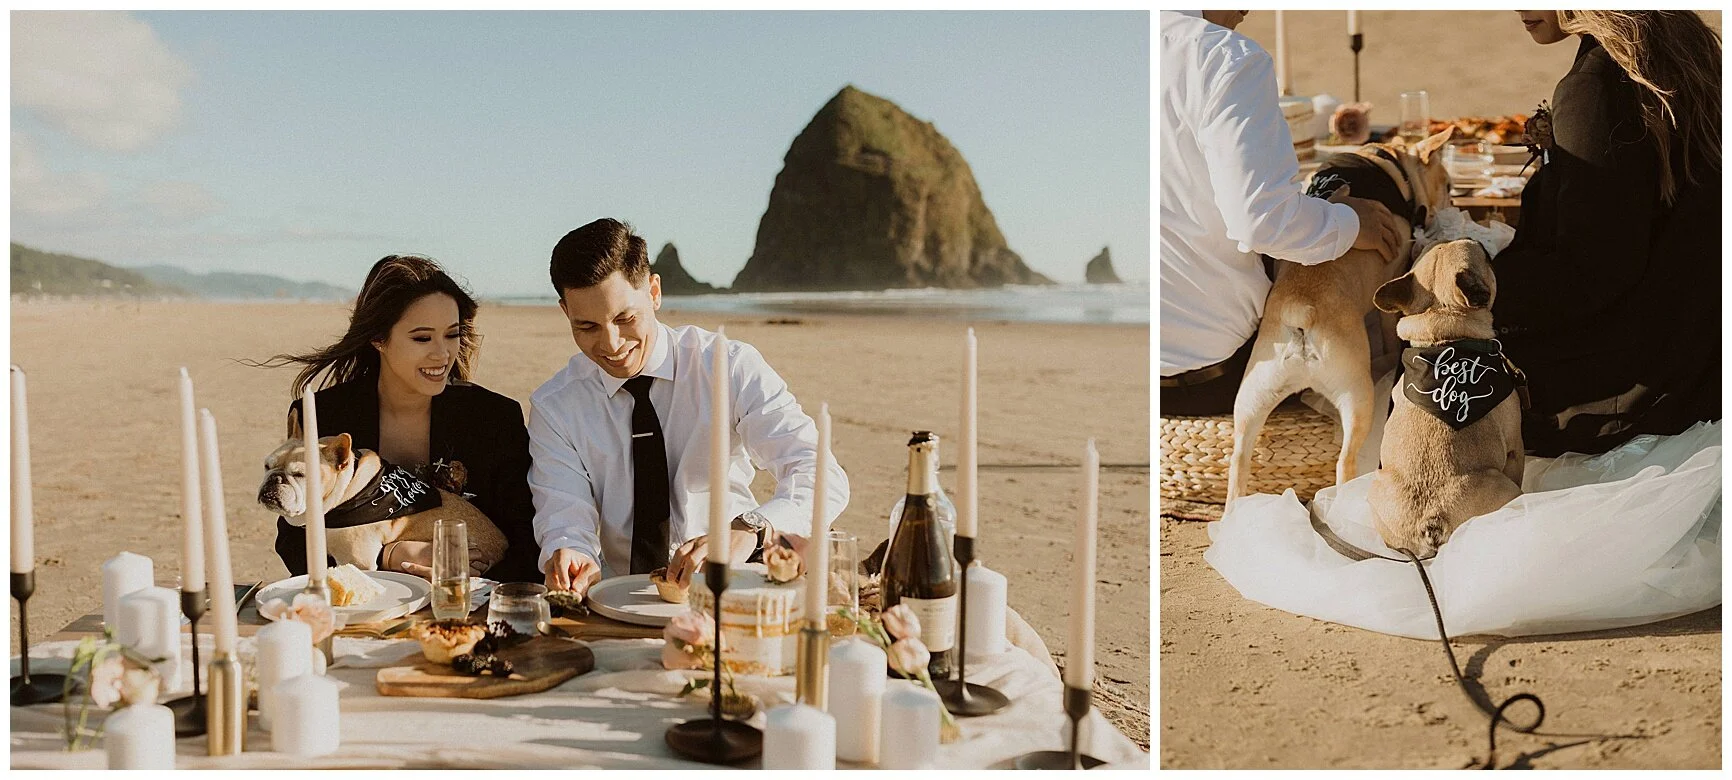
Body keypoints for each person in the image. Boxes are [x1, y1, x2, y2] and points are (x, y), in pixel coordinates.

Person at [529, 218, 849, 598]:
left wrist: (748, 529)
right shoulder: (555, 406)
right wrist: (571, 550)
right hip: (620, 600)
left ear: (654, 292)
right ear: (565, 312)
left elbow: (821, 475)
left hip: (735, 590)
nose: (611, 344)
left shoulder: (729, 365)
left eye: (625, 318)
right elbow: (563, 509)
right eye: (587, 327)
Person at [1493, 11, 1720, 456]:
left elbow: (1591, 269)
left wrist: (1486, 284)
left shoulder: (1596, 85)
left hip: (1637, 377)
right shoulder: (1682, 43)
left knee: (1421, 379)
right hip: (1700, 344)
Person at [1160, 10, 1404, 417]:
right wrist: (1349, 222)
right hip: (1208, 376)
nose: (1247, 9)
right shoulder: (1222, 56)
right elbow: (1262, 220)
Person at [258, 255, 543, 583]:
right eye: (422, 338)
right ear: (379, 338)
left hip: (472, 605)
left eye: (452, 335)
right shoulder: (324, 414)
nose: (442, 353)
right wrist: (387, 556)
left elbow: (528, 543)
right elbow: (294, 540)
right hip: (363, 607)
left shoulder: (492, 417)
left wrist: (469, 586)